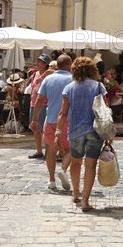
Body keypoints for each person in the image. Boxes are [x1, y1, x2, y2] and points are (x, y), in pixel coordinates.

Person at [56, 56, 105, 212]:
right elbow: (105, 110)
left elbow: (63, 113)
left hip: (75, 130)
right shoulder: (98, 86)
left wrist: (58, 132)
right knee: (90, 165)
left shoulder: (69, 88)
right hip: (95, 131)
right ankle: (85, 200)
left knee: (76, 163)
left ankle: (75, 194)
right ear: (92, 69)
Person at [31, 55, 73, 191]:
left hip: (50, 119)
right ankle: (64, 169)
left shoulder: (48, 79)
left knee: (50, 151)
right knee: (70, 150)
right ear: (68, 65)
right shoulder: (73, 79)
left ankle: (51, 180)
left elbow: (39, 100)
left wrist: (35, 119)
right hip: (68, 120)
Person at [27, 53, 51, 159]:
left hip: (43, 104)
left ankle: (47, 151)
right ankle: (39, 151)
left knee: (43, 128)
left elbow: (53, 71)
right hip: (33, 103)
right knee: (35, 128)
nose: (37, 63)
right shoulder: (35, 73)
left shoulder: (48, 74)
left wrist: (42, 77)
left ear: (45, 64)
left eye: (39, 61)